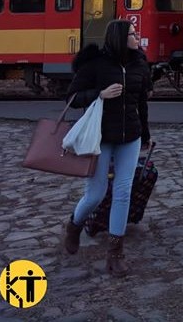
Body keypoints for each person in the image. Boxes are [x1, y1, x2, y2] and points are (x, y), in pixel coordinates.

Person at [61, 19, 152, 278]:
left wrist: (145, 134)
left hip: (130, 137)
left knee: (123, 193)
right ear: (119, 38)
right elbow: (72, 98)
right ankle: (74, 225)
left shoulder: (139, 65)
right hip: (99, 139)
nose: (137, 38)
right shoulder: (95, 65)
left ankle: (115, 254)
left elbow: (142, 102)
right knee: (96, 194)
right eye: (133, 34)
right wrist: (99, 94)